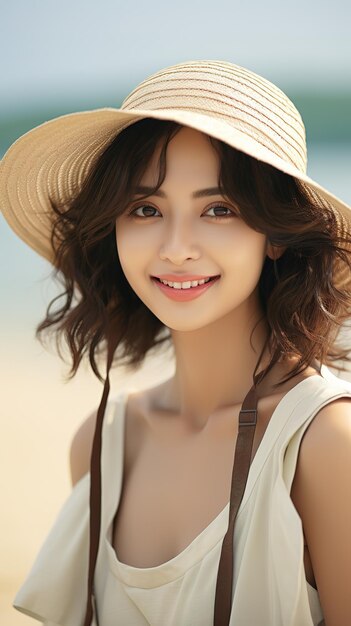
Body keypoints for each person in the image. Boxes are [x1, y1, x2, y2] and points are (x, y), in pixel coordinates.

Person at [1, 60, 351, 626]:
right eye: (146, 209)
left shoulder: (325, 444)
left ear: (277, 236)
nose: (176, 247)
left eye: (219, 209)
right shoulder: (100, 444)